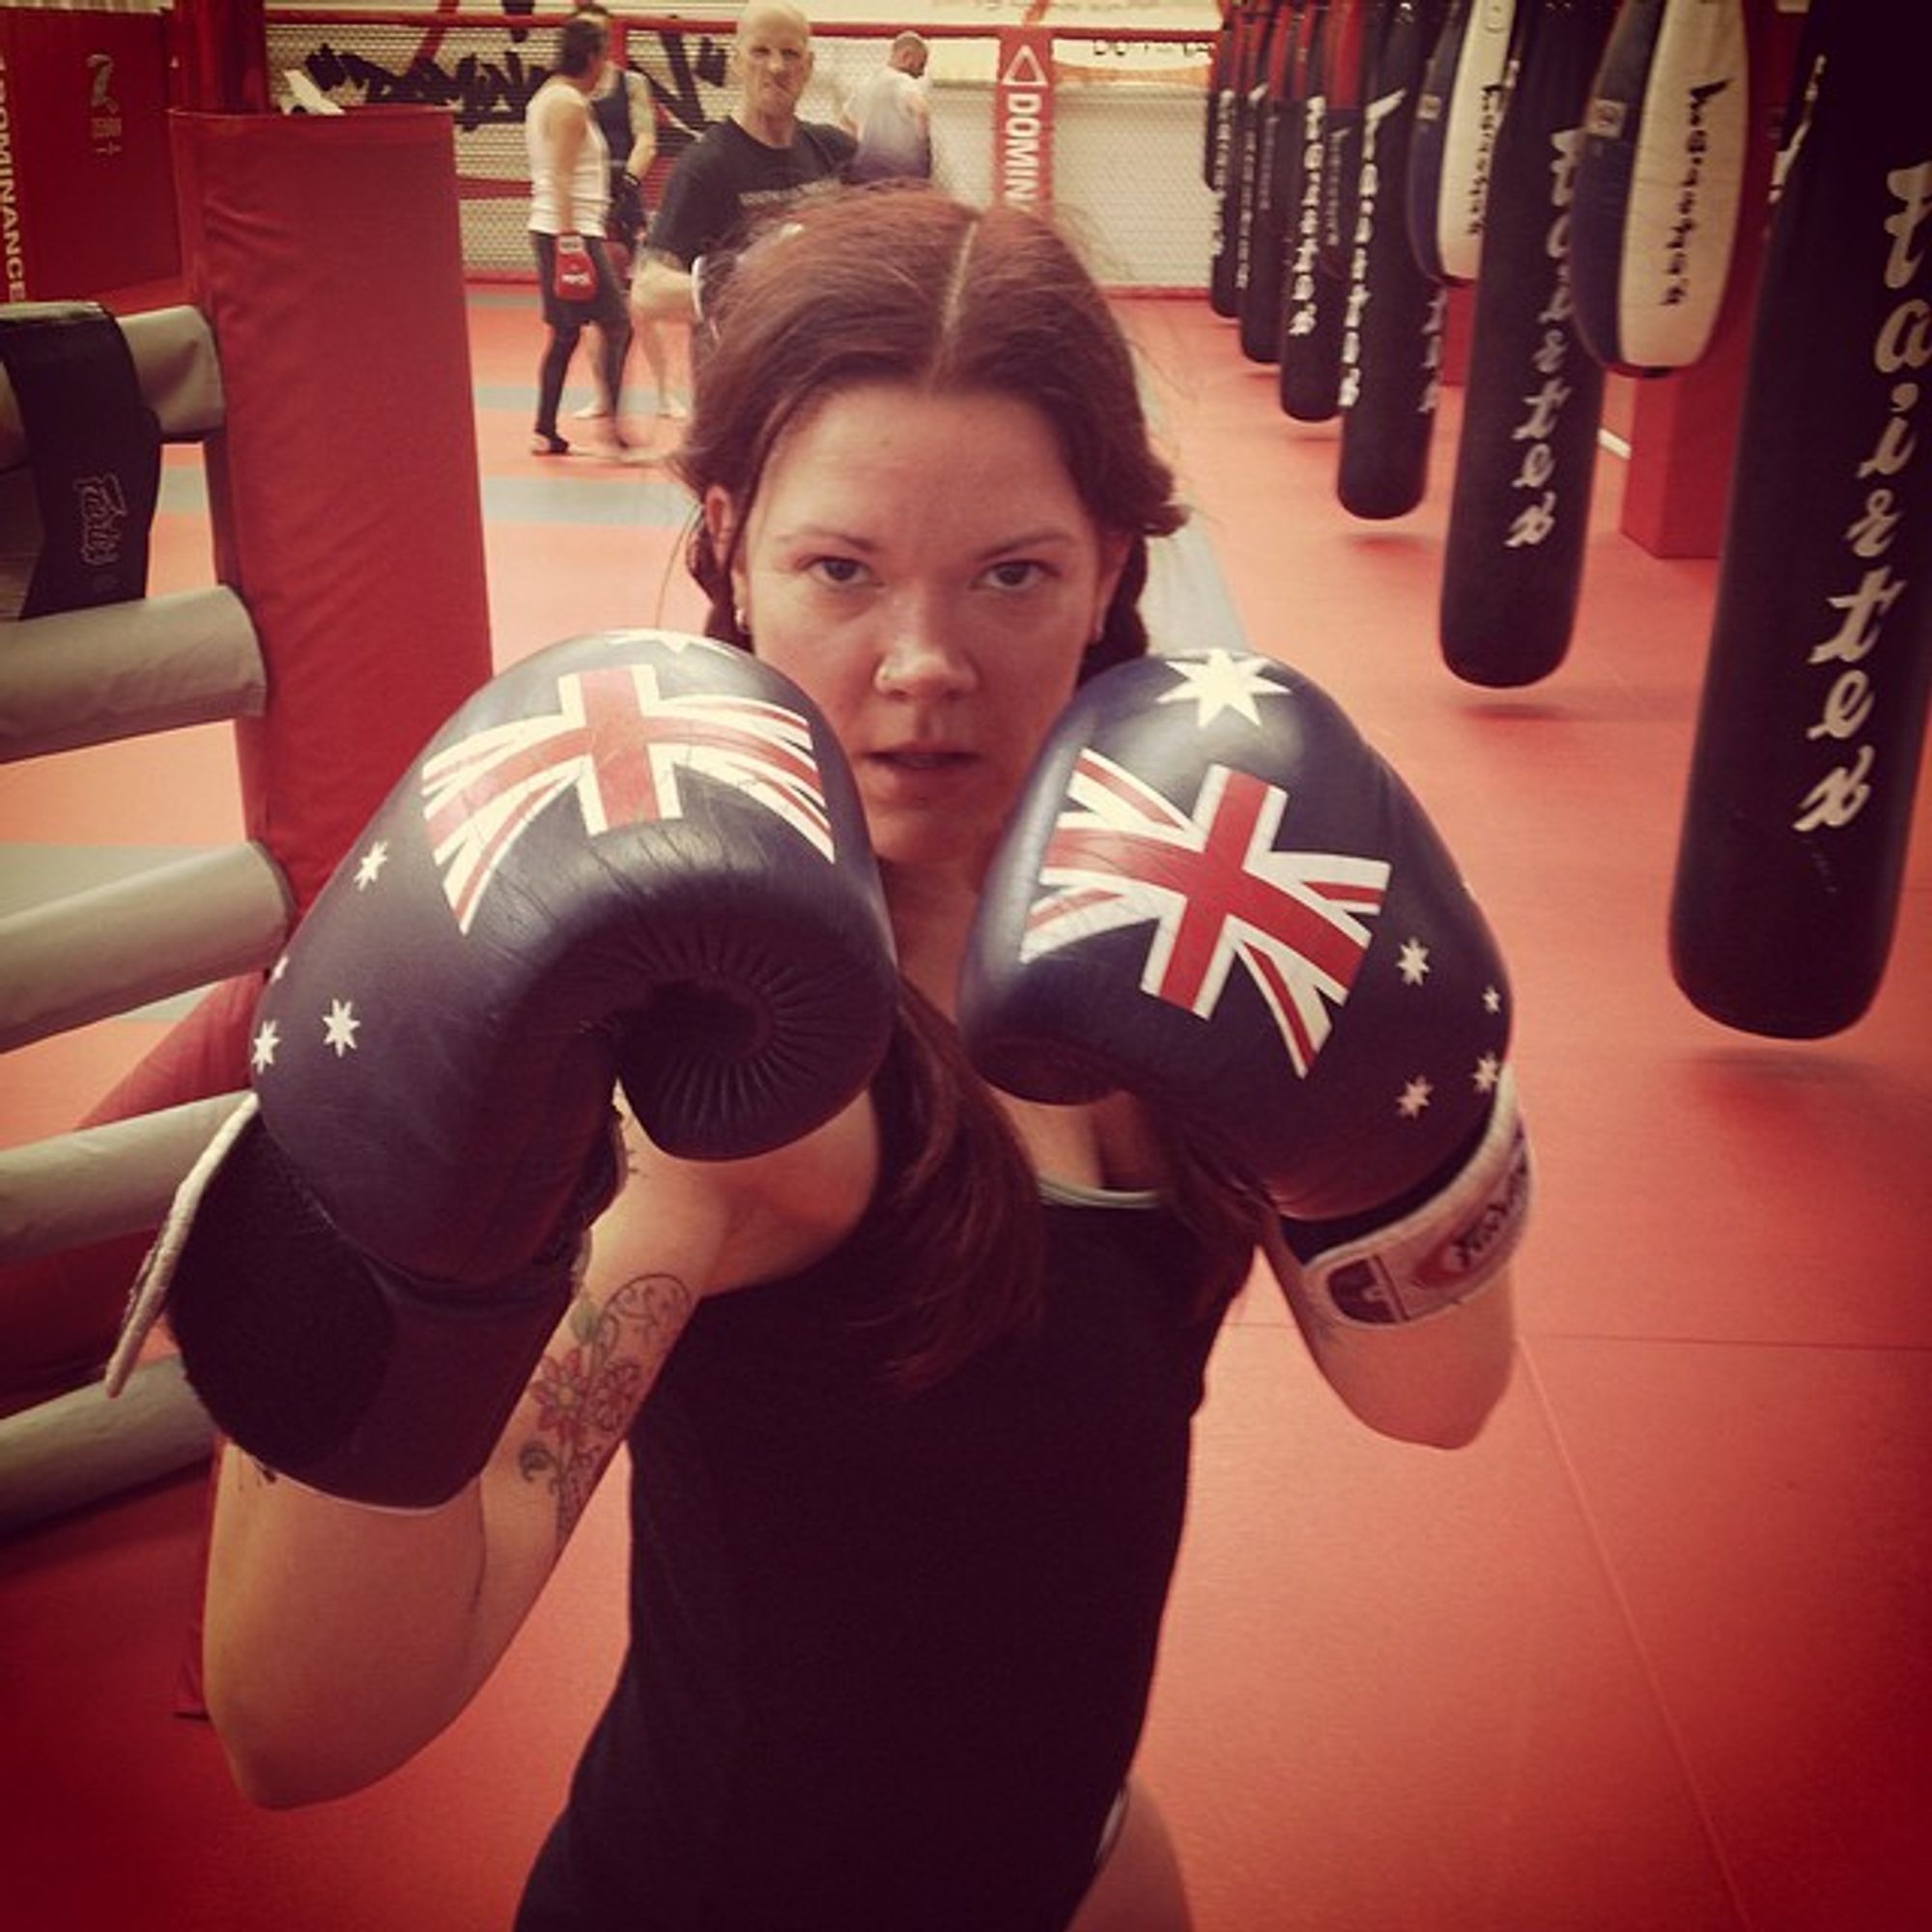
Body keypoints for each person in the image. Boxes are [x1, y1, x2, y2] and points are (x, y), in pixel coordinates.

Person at [141, 188, 1527, 1932]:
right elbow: (298, 1722)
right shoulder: (725, 1093)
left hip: (1080, 1868)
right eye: (841, 570)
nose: (925, 666)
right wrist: (373, 1185)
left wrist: (1417, 1113)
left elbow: (1439, 1397)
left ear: (1114, 558)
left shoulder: (1192, 908)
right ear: (727, 545)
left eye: (1012, 573)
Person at [628, 1, 855, 329]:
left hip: (813, 367)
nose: (776, 67)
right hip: (742, 372)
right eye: (760, 52)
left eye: (790, 54)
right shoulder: (706, 164)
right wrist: (740, 279)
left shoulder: (834, 150)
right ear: (737, 62)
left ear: (808, 65)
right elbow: (647, 292)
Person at [524, 14, 636, 459]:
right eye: (604, 54)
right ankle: (612, 431)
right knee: (618, 323)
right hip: (566, 230)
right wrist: (572, 245)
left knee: (567, 333)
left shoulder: (546, 97)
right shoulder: (568, 103)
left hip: (556, 227)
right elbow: (564, 175)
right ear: (591, 55)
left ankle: (545, 430)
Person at [571, 4, 682, 424]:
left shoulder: (631, 83)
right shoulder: (568, 89)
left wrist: (628, 184)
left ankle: (666, 394)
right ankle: (604, 394)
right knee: (590, 309)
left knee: (641, 304)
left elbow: (646, 140)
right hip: (584, 206)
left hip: (623, 204)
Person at [839, 29, 932, 184]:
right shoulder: (902, 81)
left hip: (864, 176)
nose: (922, 73)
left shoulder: (865, 85)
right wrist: (924, 154)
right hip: (900, 176)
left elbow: (846, 121)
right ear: (906, 56)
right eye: (921, 64)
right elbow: (921, 110)